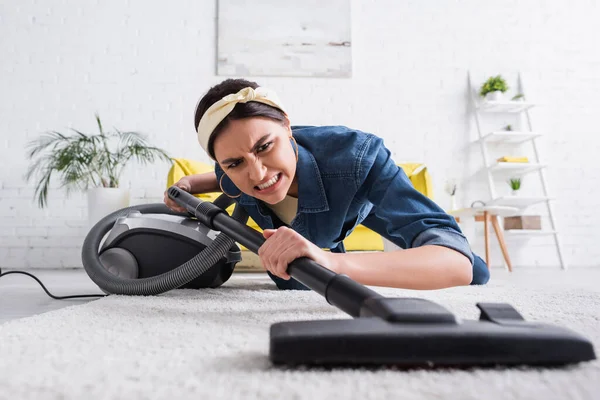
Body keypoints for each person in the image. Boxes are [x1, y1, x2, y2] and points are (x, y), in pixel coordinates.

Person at [164, 78, 490, 290]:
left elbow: (455, 264)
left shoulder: (358, 158)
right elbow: (224, 178)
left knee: (474, 271)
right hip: (313, 233)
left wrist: (333, 263)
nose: (258, 174)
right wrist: (191, 184)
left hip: (353, 197)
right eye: (234, 163)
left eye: (265, 147)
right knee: (294, 282)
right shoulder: (231, 171)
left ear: (288, 127)